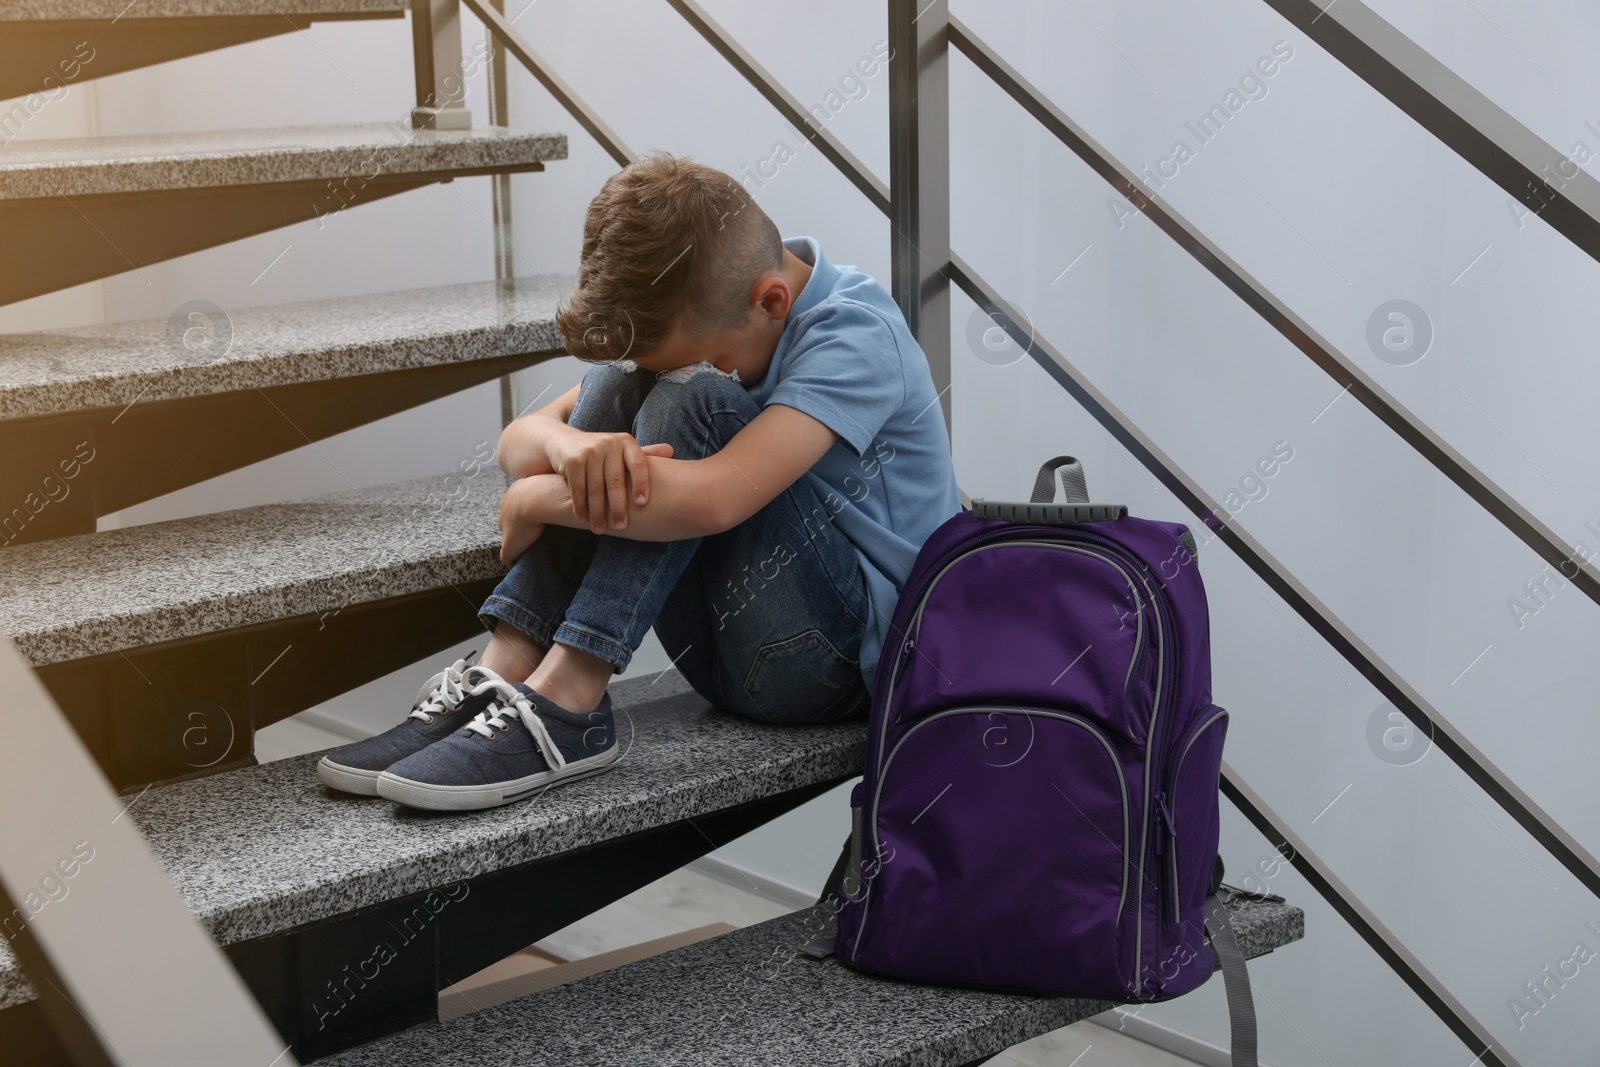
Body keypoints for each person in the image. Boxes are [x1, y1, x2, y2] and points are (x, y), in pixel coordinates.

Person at [318, 154, 960, 811]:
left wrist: (535, 496)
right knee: (615, 379)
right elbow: (521, 438)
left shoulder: (855, 336)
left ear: (772, 301)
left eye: (711, 356)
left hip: (833, 667)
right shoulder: (726, 309)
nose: (703, 370)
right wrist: (574, 447)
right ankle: (502, 669)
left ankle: (570, 696)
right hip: (724, 649)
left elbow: (715, 497)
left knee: (695, 399)